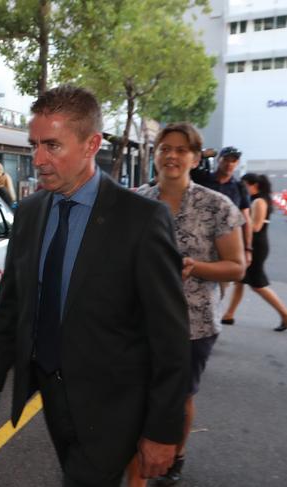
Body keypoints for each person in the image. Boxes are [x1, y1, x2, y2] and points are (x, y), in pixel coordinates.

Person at [0, 85, 191, 487]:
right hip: (49, 395)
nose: (38, 160)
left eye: (52, 146)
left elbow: (170, 337)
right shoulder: (28, 213)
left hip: (113, 406)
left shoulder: (141, 220)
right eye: (34, 145)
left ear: (92, 143)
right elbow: (11, 308)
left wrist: (164, 430)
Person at [136, 122, 246, 487]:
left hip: (192, 323)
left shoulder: (217, 206)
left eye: (182, 150)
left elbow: (236, 267)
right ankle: (138, 453)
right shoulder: (136, 201)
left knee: (179, 396)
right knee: (138, 393)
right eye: (164, 147)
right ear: (154, 154)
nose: (171, 155)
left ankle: (175, 455)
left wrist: (194, 266)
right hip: (138, 320)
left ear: (196, 158)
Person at [222, 173, 287, 331]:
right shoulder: (256, 200)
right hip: (252, 244)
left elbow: (256, 226)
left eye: (245, 186)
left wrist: (240, 217)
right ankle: (229, 315)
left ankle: (285, 314)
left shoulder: (259, 201)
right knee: (240, 281)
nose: (243, 190)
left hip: (256, 246)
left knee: (258, 284)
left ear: (254, 185)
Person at [192, 146, 253, 274]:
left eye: (234, 161)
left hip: (225, 241)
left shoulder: (239, 187)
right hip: (198, 238)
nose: (229, 164)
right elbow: (187, 167)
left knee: (219, 282)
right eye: (226, 159)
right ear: (219, 160)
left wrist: (247, 249)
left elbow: (246, 219)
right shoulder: (202, 178)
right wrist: (202, 155)